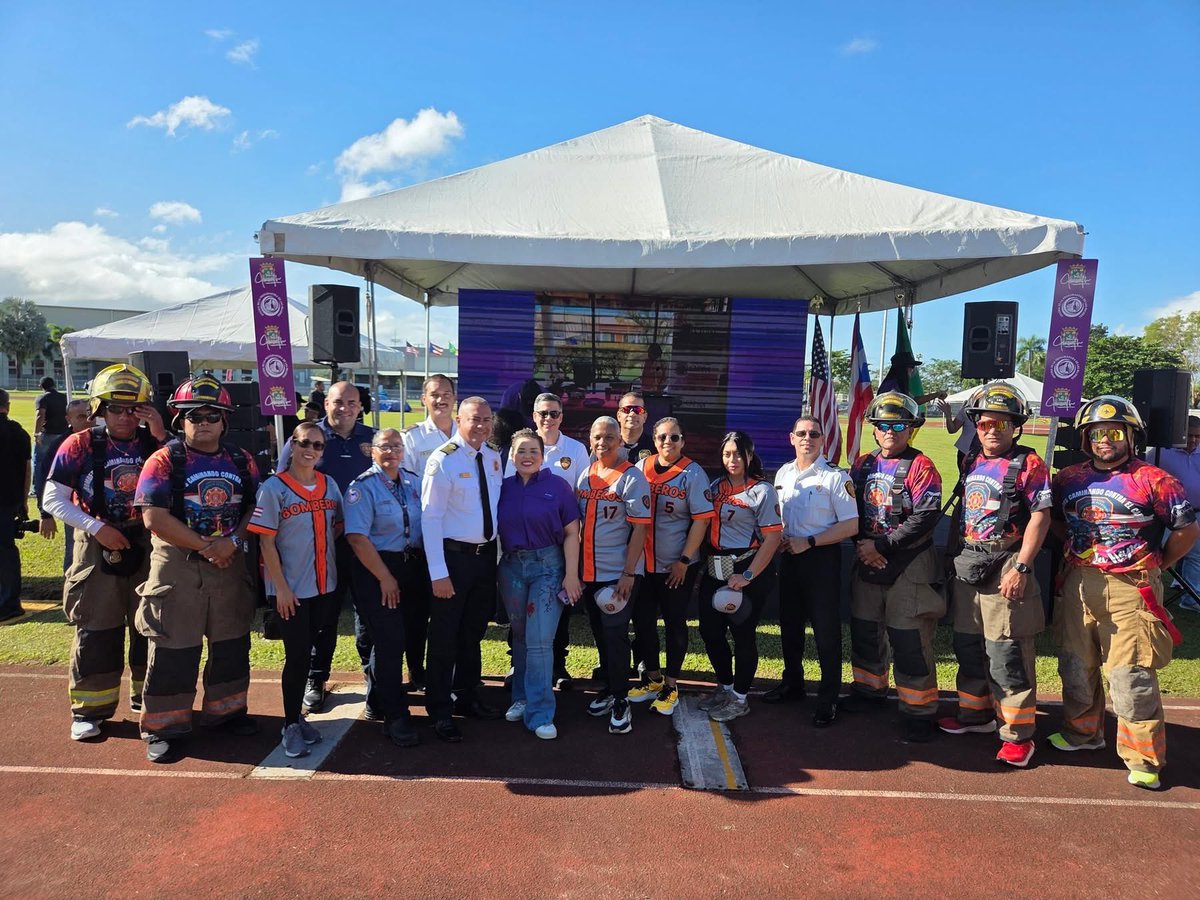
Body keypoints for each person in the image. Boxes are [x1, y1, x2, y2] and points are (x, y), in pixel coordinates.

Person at [1050, 395, 1198, 790]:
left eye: (1114, 433)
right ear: (1085, 439)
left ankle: (1144, 756)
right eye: (1096, 434)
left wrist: (1160, 563)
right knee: (1075, 664)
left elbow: (1186, 530)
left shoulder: (1154, 479)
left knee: (1130, 675)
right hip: (1080, 580)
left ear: (1131, 436)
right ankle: (1084, 733)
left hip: (1132, 587)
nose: (1105, 441)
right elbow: (1055, 521)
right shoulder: (1068, 479)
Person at [133, 374, 260, 762]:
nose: (203, 421)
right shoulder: (164, 460)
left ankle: (226, 712)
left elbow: (255, 507)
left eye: (212, 415)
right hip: (178, 566)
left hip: (229, 563)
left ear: (223, 420)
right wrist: (209, 547)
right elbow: (153, 517)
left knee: (232, 642)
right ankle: (164, 726)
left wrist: (233, 542)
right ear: (179, 421)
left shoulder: (241, 459)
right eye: (194, 415)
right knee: (174, 646)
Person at [41, 365, 166, 740]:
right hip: (95, 545)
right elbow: (52, 499)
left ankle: (148, 700)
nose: (125, 417)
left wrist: (161, 433)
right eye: (115, 409)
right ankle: (89, 710)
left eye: (134, 410)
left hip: (146, 543)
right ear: (99, 409)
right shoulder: (78, 444)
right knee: (97, 627)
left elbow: (180, 477)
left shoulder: (156, 444)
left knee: (151, 624)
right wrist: (98, 528)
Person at [939, 383, 1051, 768]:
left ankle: (1018, 734)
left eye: (1002, 424)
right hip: (970, 562)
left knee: (1007, 652)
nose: (992, 430)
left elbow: (1041, 515)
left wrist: (1021, 566)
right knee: (968, 645)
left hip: (1006, 562)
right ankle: (975, 716)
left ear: (1016, 427)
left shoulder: (1029, 463)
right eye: (985, 423)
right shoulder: (972, 460)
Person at [843, 392, 945, 742]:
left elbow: (927, 516)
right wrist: (864, 546)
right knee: (865, 629)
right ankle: (869, 691)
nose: (891, 432)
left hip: (910, 560)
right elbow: (850, 509)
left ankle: (919, 710)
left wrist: (881, 546)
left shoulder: (921, 466)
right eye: (884, 425)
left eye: (898, 425)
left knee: (909, 637)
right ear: (874, 429)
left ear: (911, 429)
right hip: (867, 555)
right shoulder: (862, 465)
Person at [278, 380, 375, 714]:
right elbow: (281, 483)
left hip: (365, 543)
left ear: (360, 405)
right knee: (325, 616)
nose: (344, 408)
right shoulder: (308, 436)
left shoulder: (372, 438)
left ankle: (371, 677)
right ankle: (316, 679)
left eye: (351, 402)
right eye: (337, 402)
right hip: (320, 545)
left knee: (367, 611)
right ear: (326, 403)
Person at [248, 421, 341, 758]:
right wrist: (281, 589)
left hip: (324, 586)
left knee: (313, 649)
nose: (310, 450)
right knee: (298, 655)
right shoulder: (274, 488)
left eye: (317, 446)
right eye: (304, 443)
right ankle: (289, 724)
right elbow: (265, 542)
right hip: (292, 591)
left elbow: (340, 525)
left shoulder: (329, 485)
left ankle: (298, 720)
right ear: (293, 444)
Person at [421, 397, 505, 742]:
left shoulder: (495, 458)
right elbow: (430, 517)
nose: (482, 426)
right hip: (452, 560)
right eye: (475, 419)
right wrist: (438, 572)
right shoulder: (442, 460)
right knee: (443, 638)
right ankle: (439, 709)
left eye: (487, 419)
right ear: (459, 419)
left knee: (472, 634)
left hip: (484, 560)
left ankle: (466, 696)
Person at [771, 415, 859, 727]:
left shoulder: (836, 477)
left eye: (814, 434)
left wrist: (809, 542)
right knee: (790, 625)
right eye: (801, 433)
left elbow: (851, 524)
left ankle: (828, 697)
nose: (807, 438)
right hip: (790, 556)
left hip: (821, 558)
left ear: (822, 440)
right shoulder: (783, 473)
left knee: (825, 631)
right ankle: (793, 683)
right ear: (791, 438)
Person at [343, 428, 428, 748]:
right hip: (377, 569)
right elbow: (357, 538)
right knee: (390, 641)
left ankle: (378, 699)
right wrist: (385, 577)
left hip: (411, 567)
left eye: (396, 446)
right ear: (372, 451)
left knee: (399, 638)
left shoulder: (412, 481)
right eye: (384, 447)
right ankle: (395, 717)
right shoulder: (361, 487)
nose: (391, 451)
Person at [498, 429, 582, 739]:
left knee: (539, 640)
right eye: (521, 450)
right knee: (520, 636)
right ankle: (521, 698)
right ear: (512, 455)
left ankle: (540, 712)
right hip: (511, 569)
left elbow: (573, 532)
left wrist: (571, 575)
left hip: (548, 568)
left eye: (533, 450)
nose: (527, 456)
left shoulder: (558, 486)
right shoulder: (502, 488)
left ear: (542, 455)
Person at [627, 417, 713, 715]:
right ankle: (652, 677)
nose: (668, 442)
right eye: (662, 437)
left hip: (675, 564)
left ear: (683, 441)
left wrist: (685, 561)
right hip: (642, 563)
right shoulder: (641, 467)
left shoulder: (692, 472)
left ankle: (671, 683)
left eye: (674, 437)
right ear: (653, 439)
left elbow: (702, 519)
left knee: (675, 622)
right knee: (642, 621)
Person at [696, 431, 782, 722]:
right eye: (727, 454)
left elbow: (772, 538)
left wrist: (747, 575)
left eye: (737, 453)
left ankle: (740, 697)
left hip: (748, 570)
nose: (732, 460)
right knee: (709, 631)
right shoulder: (715, 486)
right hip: (715, 569)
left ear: (749, 455)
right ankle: (726, 686)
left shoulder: (762, 490)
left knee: (742, 633)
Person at [578, 416, 651, 735]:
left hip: (617, 575)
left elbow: (640, 529)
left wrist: (628, 573)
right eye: (597, 437)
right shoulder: (586, 474)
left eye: (609, 437)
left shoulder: (632, 477)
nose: (602, 442)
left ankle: (622, 698)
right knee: (600, 634)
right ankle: (610, 687)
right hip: (589, 573)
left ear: (620, 440)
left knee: (616, 635)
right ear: (590, 439)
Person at [535, 391, 591, 691]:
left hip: (563, 544)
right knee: (523, 610)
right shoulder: (521, 446)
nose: (548, 418)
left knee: (560, 606)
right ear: (534, 417)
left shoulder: (576, 450)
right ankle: (519, 664)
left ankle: (558, 666)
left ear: (561, 417)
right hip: (527, 546)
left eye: (554, 413)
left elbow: (582, 499)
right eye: (543, 413)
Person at [1151, 415, 1200, 612]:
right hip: (1167, 514)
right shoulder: (1161, 452)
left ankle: (1190, 598)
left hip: (1196, 513)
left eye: (1198, 436)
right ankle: (1154, 591)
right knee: (1159, 553)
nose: (1193, 440)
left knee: (1195, 556)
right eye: (1189, 436)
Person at [36, 399, 90, 570]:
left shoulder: (105, 438)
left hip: (102, 509)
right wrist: (45, 515)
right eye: (81, 416)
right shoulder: (60, 445)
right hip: (74, 509)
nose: (87, 420)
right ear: (68, 419)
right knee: (75, 553)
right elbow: (43, 478)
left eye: (90, 415)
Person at [0, 389, 32, 624]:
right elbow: (26, 471)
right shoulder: (18, 432)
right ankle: (10, 601)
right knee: (7, 552)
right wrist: (22, 503)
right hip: (9, 500)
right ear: (7, 406)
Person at [401, 374, 456, 478]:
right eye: (434, 395)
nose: (441, 400)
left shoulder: (465, 433)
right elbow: (404, 479)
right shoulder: (410, 437)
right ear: (424, 399)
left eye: (447, 394)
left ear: (454, 398)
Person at [33, 376, 68, 498]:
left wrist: (36, 433)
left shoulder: (42, 398)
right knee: (60, 463)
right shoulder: (64, 397)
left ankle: (37, 488)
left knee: (39, 463)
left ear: (41, 386)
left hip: (47, 434)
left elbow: (40, 415)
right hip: (63, 435)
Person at [877, 351, 946, 407]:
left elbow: (913, 400)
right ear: (902, 368)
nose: (912, 370)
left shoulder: (895, 383)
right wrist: (936, 394)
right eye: (911, 367)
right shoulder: (893, 385)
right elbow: (914, 401)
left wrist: (936, 394)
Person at [616, 391, 656, 462]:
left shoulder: (656, 446)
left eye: (638, 410)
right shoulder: (608, 444)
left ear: (645, 417)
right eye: (627, 409)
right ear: (619, 416)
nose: (632, 414)